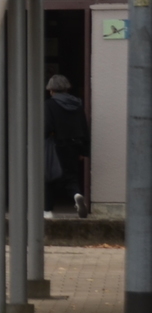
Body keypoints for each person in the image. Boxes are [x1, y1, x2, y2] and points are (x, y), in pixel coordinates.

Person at [44, 74, 89, 217]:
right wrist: (84, 151)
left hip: (56, 145)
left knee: (50, 176)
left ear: (51, 90)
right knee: (71, 176)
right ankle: (76, 196)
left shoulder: (49, 105)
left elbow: (47, 126)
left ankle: (47, 211)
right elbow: (84, 127)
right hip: (74, 145)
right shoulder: (77, 104)